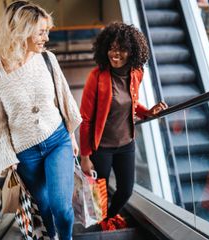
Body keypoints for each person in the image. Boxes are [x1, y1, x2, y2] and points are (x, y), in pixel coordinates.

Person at [0, 1, 82, 239]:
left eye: (47, 31)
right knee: (44, 210)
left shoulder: (47, 59)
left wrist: (71, 135)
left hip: (57, 140)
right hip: (26, 154)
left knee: (62, 210)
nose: (46, 38)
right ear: (22, 31)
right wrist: (7, 158)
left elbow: (64, 98)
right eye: (41, 32)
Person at [79, 22, 168, 231]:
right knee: (98, 191)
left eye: (122, 49)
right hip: (101, 147)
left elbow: (131, 102)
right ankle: (101, 222)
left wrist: (147, 112)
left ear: (132, 52)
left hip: (126, 143)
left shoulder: (136, 72)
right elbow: (86, 119)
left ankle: (108, 217)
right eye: (111, 48)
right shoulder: (97, 77)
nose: (115, 54)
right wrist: (85, 157)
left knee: (126, 190)